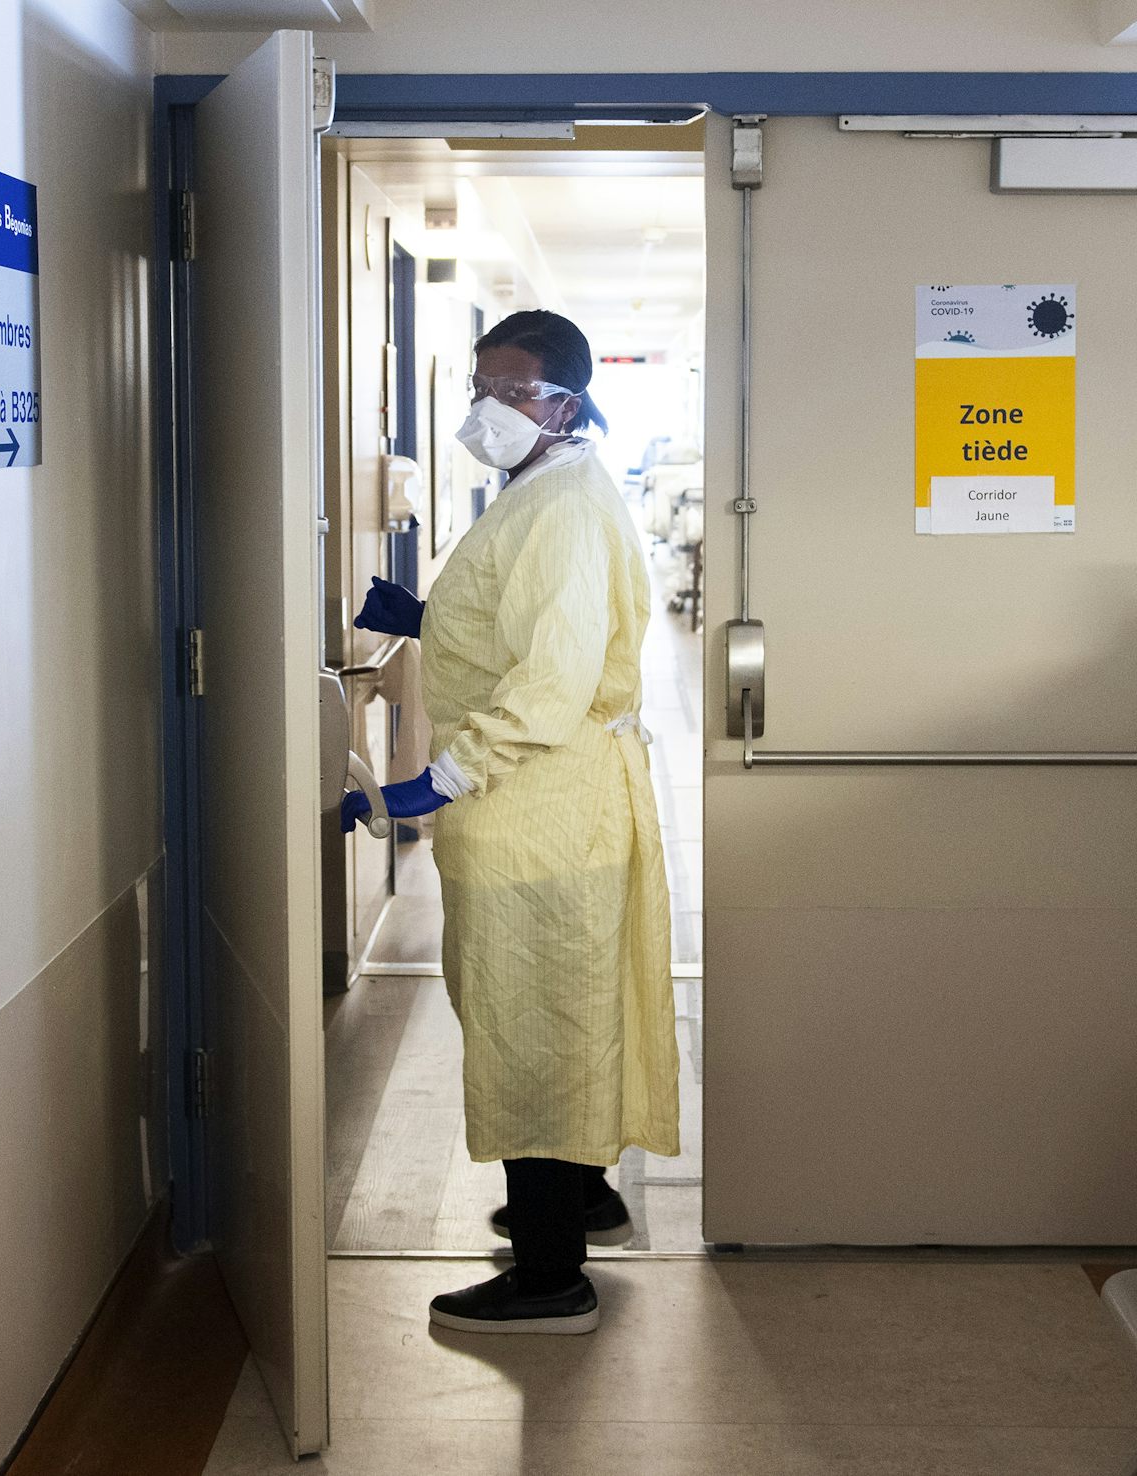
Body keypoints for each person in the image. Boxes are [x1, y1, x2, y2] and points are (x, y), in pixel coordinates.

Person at [342, 309, 679, 1335]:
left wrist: (435, 780)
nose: (487, 410)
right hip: (556, 805)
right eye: (480, 389)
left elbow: (550, 680)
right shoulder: (546, 487)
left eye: (512, 392)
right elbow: (522, 617)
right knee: (565, 1004)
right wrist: (426, 617)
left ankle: (549, 1277)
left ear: (567, 403)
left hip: (539, 801)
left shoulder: (563, 506)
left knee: (530, 1023)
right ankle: (583, 1200)